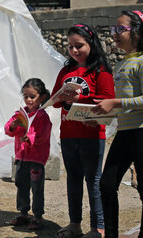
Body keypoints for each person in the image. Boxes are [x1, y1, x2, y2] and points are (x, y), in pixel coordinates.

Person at [94, 10, 143, 238]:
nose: (115, 33)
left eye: (120, 29)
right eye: (114, 29)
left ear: (137, 33)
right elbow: (122, 104)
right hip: (124, 132)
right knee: (106, 184)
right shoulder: (121, 65)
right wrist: (98, 110)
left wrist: (114, 102)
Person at [53, 24, 115, 238]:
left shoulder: (101, 71)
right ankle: (74, 223)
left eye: (79, 45)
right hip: (68, 134)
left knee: (93, 180)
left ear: (91, 44)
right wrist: (60, 97)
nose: (74, 51)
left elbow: (108, 101)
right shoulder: (66, 70)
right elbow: (54, 100)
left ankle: (97, 227)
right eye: (70, 46)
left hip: (91, 135)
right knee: (73, 179)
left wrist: (82, 99)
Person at [4, 78, 52, 231]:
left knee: (37, 187)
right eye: (26, 96)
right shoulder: (20, 114)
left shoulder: (42, 116)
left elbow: (43, 135)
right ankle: (23, 213)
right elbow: (9, 130)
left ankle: (38, 216)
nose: (28, 100)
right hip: (21, 157)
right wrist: (13, 126)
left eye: (32, 96)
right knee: (21, 185)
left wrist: (30, 138)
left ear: (42, 97)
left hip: (36, 159)